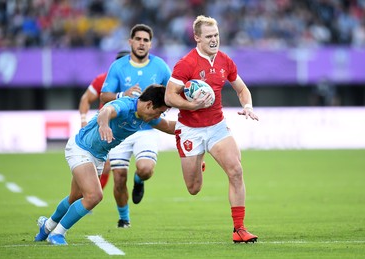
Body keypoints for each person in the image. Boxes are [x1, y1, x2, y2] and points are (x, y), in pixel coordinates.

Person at [34, 85, 175, 245]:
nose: (158, 116)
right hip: (81, 149)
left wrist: (197, 127)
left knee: (76, 196)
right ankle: (58, 234)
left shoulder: (147, 116)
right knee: (94, 196)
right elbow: (106, 112)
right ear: (149, 104)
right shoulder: (125, 105)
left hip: (98, 156)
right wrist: (104, 125)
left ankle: (47, 227)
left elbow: (170, 127)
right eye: (158, 112)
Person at [164, 15, 259, 243]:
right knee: (193, 188)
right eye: (208, 36)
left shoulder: (225, 61)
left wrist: (247, 106)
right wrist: (191, 105)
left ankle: (239, 229)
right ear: (197, 37)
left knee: (236, 171)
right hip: (190, 130)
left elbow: (242, 88)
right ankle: (198, 162)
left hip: (217, 127)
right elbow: (169, 96)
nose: (214, 40)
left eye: (216, 35)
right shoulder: (186, 63)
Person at [100, 24, 171, 228]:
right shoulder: (118, 66)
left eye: (146, 40)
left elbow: (172, 92)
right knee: (119, 177)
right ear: (130, 42)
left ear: (151, 43)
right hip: (120, 129)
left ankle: (139, 181)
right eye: (138, 39)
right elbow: (104, 96)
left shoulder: (160, 66)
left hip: (146, 128)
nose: (142, 43)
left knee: (146, 169)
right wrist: (124, 94)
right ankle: (124, 218)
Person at [78, 50, 129, 189]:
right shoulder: (104, 79)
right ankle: (88, 197)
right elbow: (86, 98)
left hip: (126, 129)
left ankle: (89, 198)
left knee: (113, 169)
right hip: (106, 126)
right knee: (104, 166)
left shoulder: (137, 82)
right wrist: (83, 119)